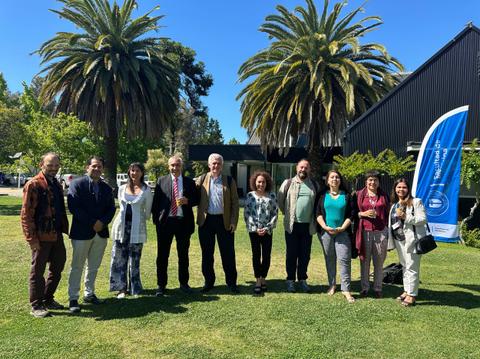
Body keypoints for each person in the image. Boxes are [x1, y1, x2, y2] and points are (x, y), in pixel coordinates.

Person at [21, 153, 69, 318]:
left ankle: (48, 298)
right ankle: (36, 304)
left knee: (58, 266)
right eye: (50, 165)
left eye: (56, 166)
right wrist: (32, 239)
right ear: (42, 164)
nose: (54, 169)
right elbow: (26, 215)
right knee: (37, 271)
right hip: (40, 236)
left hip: (56, 234)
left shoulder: (56, 183)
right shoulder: (33, 184)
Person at [67, 156, 115, 313]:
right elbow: (74, 207)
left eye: (99, 167)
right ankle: (73, 297)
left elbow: (111, 209)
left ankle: (89, 293)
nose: (97, 169)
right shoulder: (76, 184)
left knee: (93, 266)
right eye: (94, 166)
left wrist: (102, 222)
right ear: (87, 167)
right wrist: (92, 222)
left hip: (100, 233)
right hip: (82, 232)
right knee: (77, 266)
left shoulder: (107, 188)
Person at [151, 156, 198, 296]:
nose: (174, 168)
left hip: (183, 222)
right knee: (162, 255)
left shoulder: (189, 182)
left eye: (177, 165)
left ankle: (184, 284)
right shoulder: (161, 181)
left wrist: (187, 200)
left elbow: (197, 199)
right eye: (172, 165)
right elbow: (156, 203)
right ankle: (161, 285)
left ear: (181, 166)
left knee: (183, 255)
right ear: (168, 166)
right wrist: (157, 221)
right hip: (166, 223)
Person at [196, 153, 240, 293]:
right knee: (207, 254)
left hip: (224, 221)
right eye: (213, 163)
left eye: (218, 163)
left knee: (228, 254)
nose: (216, 166)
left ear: (222, 165)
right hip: (206, 221)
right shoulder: (201, 179)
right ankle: (209, 282)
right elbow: (191, 192)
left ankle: (231, 282)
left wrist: (233, 221)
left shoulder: (229, 180)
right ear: (209, 165)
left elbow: (235, 203)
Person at [278, 159, 322, 293]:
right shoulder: (288, 183)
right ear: (297, 168)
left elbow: (318, 204)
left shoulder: (315, 185)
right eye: (301, 167)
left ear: (309, 170)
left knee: (305, 254)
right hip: (292, 226)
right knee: (291, 254)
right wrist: (288, 214)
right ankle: (290, 280)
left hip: (308, 226)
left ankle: (302, 279)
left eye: (306, 168)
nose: (303, 170)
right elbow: (280, 201)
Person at [110, 163, 153, 298]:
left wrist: (138, 218)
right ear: (129, 172)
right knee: (119, 258)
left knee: (134, 258)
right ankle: (121, 288)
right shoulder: (122, 188)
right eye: (132, 170)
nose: (134, 173)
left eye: (137, 171)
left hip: (136, 228)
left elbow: (147, 213)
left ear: (142, 173)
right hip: (121, 227)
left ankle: (135, 288)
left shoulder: (146, 190)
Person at [316, 170, 355, 303]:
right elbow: (318, 213)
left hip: (343, 232)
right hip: (326, 233)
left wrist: (343, 227)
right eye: (332, 177)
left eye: (337, 177)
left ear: (340, 180)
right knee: (330, 259)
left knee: (344, 260)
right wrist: (325, 227)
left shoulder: (347, 195)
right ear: (327, 181)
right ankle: (332, 285)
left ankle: (346, 289)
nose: (335, 179)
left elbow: (351, 215)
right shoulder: (322, 195)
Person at [388, 178, 427, 307]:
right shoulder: (394, 205)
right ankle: (407, 290)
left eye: (404, 187)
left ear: (408, 189)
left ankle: (412, 295)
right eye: (398, 187)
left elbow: (422, 219)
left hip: (412, 240)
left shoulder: (416, 202)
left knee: (412, 267)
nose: (401, 190)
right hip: (399, 240)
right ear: (395, 189)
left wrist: (406, 217)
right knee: (405, 266)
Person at [354, 170, 389, 298]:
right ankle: (365, 288)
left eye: (375, 180)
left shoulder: (384, 196)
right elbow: (353, 213)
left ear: (379, 182)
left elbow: (388, 213)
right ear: (366, 182)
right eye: (370, 180)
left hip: (380, 232)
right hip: (364, 231)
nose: (372, 182)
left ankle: (378, 288)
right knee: (364, 260)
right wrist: (362, 214)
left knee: (379, 261)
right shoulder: (359, 195)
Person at [244, 171, 278, 294]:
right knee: (256, 255)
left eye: (263, 182)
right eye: (259, 181)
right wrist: (255, 228)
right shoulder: (250, 196)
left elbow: (275, 213)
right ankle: (258, 280)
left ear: (267, 183)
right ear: (255, 182)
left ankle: (264, 277)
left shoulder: (272, 196)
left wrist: (267, 227)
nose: (261, 184)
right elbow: (247, 213)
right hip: (254, 231)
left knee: (267, 255)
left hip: (267, 231)